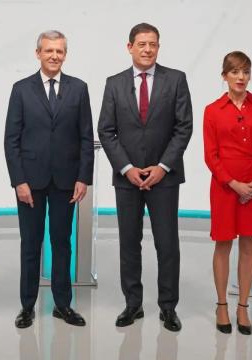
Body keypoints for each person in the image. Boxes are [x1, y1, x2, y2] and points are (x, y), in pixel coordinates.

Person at [98, 23, 193, 332]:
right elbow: (106, 130)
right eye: (141, 44)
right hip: (127, 178)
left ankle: (168, 307)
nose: (147, 49)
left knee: (167, 244)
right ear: (129, 47)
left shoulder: (176, 80)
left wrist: (161, 167)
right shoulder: (113, 83)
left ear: (158, 47)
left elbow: (183, 127)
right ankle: (133, 304)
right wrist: (127, 167)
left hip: (163, 178)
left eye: (153, 44)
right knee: (129, 242)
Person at [4, 30, 94, 328]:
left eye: (59, 51)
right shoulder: (21, 89)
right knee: (30, 243)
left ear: (65, 54)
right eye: (48, 50)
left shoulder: (79, 89)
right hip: (30, 181)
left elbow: (85, 137)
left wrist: (84, 178)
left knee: (62, 242)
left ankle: (63, 305)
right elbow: (11, 139)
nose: (54, 55)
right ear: (38, 53)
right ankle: (27, 306)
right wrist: (19, 180)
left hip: (66, 181)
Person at [203, 51, 252, 335]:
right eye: (235, 72)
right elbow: (211, 155)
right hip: (225, 187)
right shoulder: (212, 110)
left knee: (249, 245)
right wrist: (232, 183)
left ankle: (243, 307)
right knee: (223, 244)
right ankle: (222, 304)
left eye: (245, 71)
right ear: (224, 76)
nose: (241, 77)